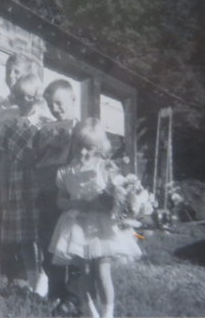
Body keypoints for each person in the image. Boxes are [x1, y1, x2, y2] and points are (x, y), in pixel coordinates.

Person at [49, 118, 142, 318]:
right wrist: (74, 203)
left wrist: (104, 202)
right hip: (77, 226)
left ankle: (108, 312)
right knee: (85, 272)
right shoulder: (66, 171)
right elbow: (60, 201)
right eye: (79, 146)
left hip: (101, 226)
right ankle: (91, 311)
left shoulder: (105, 168)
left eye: (89, 148)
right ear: (73, 143)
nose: (83, 152)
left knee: (102, 271)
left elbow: (116, 196)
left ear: (99, 147)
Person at [0, 54, 35, 281]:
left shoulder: (32, 104)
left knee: (24, 219)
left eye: (17, 72)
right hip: (0, 162)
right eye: (8, 72)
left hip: (23, 169)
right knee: (2, 216)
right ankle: (7, 272)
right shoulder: (0, 103)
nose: (11, 77)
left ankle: (26, 271)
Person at [0, 73, 51, 296]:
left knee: (42, 235)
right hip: (17, 187)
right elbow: (3, 161)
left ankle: (45, 279)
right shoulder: (9, 125)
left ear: (38, 98)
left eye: (30, 97)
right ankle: (31, 279)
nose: (24, 101)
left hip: (39, 187)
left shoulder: (46, 124)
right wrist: (3, 191)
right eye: (20, 96)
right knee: (25, 237)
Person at [32, 79, 79, 308]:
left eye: (60, 103)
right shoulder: (44, 130)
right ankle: (55, 291)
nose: (55, 108)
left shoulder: (81, 128)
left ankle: (74, 295)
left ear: (73, 100)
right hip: (48, 194)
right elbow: (36, 159)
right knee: (49, 243)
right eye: (51, 104)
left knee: (74, 246)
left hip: (72, 197)